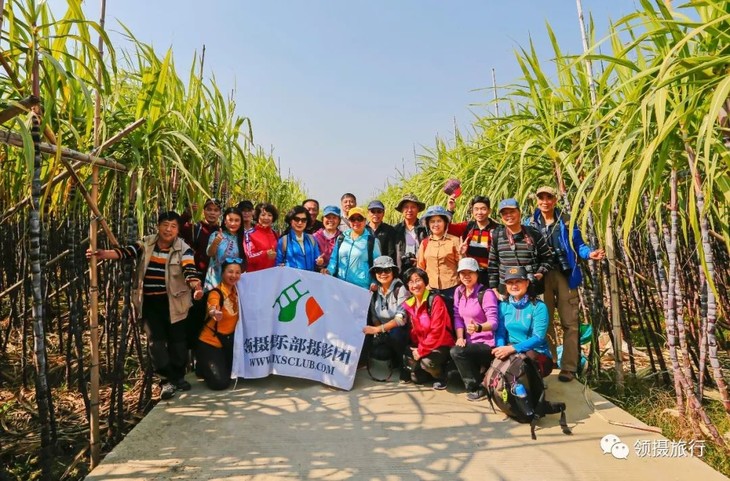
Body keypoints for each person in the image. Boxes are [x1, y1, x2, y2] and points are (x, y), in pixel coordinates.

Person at [87, 211, 202, 399]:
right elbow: (127, 252)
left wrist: (195, 284)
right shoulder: (147, 243)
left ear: (178, 230)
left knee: (178, 342)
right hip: (150, 303)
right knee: (156, 343)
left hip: (175, 302)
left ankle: (178, 377)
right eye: (165, 225)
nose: (168, 229)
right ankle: (167, 379)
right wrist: (103, 254)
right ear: (158, 226)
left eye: (173, 226)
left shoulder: (184, 248)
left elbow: (189, 268)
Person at [527, 186, 605, 382]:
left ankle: (569, 367)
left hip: (565, 274)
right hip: (541, 276)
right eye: (541, 198)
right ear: (537, 201)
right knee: (543, 321)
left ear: (555, 200)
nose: (545, 201)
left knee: (570, 322)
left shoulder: (566, 221)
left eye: (549, 198)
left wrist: (590, 254)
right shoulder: (530, 223)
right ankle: (549, 361)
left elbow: (579, 244)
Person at [449, 257, 499, 401]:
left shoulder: (486, 293)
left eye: (470, 272)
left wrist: (478, 327)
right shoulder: (459, 291)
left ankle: (477, 388)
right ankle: (482, 375)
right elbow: (457, 317)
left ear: (477, 273)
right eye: (463, 273)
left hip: (487, 344)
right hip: (470, 343)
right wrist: (460, 337)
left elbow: (494, 323)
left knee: (457, 352)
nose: (466, 276)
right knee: (451, 377)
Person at [399, 268, 455, 389]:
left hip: (440, 344)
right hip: (423, 344)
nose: (415, 285)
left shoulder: (435, 300)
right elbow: (413, 331)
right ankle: (428, 371)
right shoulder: (410, 303)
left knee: (427, 363)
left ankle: (442, 376)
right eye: (411, 282)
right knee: (417, 379)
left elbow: (437, 331)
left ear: (425, 281)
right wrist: (416, 348)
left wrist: (421, 351)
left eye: (418, 280)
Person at [493, 266, 553, 378]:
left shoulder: (539, 307)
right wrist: (501, 348)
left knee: (528, 357)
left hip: (536, 353)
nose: (514, 286)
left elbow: (538, 338)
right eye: (510, 282)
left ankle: (534, 383)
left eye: (518, 281)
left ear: (527, 283)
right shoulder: (504, 305)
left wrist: (512, 349)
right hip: (511, 350)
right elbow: (500, 332)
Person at [487, 198, 553, 298]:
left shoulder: (533, 233)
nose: (508, 215)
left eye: (512, 212)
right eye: (504, 213)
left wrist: (540, 272)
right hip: (506, 290)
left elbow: (548, 257)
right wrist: (494, 288)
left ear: (519, 212)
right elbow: (492, 265)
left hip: (531, 288)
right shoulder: (497, 235)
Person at [196, 258, 243, 390]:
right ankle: (202, 366)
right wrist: (214, 312)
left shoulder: (238, 291)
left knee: (239, 374)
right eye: (230, 272)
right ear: (222, 273)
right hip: (210, 342)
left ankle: (208, 366)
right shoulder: (216, 293)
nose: (234, 275)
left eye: (237, 272)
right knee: (220, 383)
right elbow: (212, 305)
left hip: (228, 343)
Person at [361, 256, 410, 375]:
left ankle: (405, 365)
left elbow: (401, 319)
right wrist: (380, 332)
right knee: (380, 353)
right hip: (384, 331)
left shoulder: (400, 289)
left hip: (401, 331)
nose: (383, 274)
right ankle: (393, 359)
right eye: (379, 270)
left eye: (387, 270)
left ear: (393, 272)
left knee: (396, 335)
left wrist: (378, 329)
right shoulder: (374, 291)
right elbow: (374, 316)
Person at [416, 205, 461, 316]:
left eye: (439, 221)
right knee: (435, 319)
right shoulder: (425, 243)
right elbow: (420, 267)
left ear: (445, 223)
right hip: (431, 289)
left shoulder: (454, 241)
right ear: (428, 224)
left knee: (453, 318)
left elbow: (461, 265)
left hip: (452, 289)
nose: (436, 224)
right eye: (432, 221)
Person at [447, 195, 500, 286]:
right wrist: (450, 210)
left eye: (483, 209)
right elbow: (447, 228)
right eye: (476, 209)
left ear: (489, 211)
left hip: (491, 274)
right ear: (472, 211)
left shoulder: (498, 229)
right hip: (470, 273)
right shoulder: (467, 227)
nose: (479, 212)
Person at [326, 207, 381, 289]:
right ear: (349, 221)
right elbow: (334, 259)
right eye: (353, 219)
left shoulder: (372, 241)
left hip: (361, 287)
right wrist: (329, 271)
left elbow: (378, 264)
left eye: (359, 219)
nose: (356, 222)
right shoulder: (341, 238)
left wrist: (374, 282)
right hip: (340, 285)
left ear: (365, 221)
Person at [204, 207, 246, 291]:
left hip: (234, 283)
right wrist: (216, 242)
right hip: (215, 282)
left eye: (237, 220)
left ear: (241, 222)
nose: (233, 223)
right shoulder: (216, 235)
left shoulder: (244, 238)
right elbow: (209, 253)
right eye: (230, 220)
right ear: (225, 221)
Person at [180, 198, 221, 279]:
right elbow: (177, 228)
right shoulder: (195, 228)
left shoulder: (221, 232)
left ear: (220, 213)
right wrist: (187, 213)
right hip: (197, 276)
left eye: (216, 210)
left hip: (214, 278)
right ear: (203, 211)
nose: (212, 213)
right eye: (209, 209)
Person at [276, 205, 322, 271]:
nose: (300, 223)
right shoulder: (283, 241)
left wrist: (319, 262)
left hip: (309, 276)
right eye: (296, 219)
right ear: (290, 220)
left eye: (304, 220)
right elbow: (278, 264)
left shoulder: (312, 239)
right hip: (291, 277)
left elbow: (317, 259)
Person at [393, 193, 428, 272]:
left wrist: (420, 260)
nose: (409, 210)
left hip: (422, 268)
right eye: (406, 207)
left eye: (413, 207)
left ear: (418, 209)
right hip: (401, 271)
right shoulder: (395, 230)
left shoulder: (425, 228)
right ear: (402, 210)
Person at [246, 202, 279, 272]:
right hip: (255, 275)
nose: (266, 218)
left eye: (269, 215)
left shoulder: (275, 234)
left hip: (273, 275)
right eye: (263, 215)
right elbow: (248, 257)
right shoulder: (249, 234)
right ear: (257, 216)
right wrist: (265, 253)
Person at [312, 205, 342, 269]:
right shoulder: (314, 237)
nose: (331, 220)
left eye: (334, 217)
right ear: (322, 219)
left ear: (339, 220)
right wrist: (318, 262)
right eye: (328, 217)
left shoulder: (343, 238)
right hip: (318, 272)